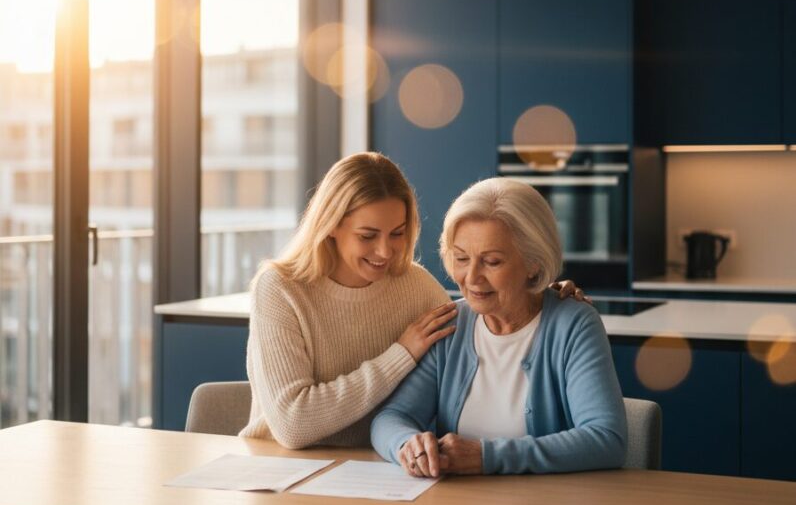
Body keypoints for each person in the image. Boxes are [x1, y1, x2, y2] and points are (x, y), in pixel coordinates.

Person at [240, 153, 584, 449]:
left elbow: (477, 315)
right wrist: (401, 355)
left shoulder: (414, 285)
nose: (385, 251)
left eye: (398, 233)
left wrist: (537, 289)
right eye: (367, 236)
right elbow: (293, 425)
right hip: (278, 470)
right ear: (331, 225)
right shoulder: (280, 289)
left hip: (378, 469)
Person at [371, 177, 627, 476]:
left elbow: (606, 439)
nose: (472, 277)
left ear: (533, 262)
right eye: (462, 258)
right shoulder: (449, 326)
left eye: (492, 261)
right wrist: (407, 446)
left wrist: (486, 456)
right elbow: (391, 417)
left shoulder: (573, 324)